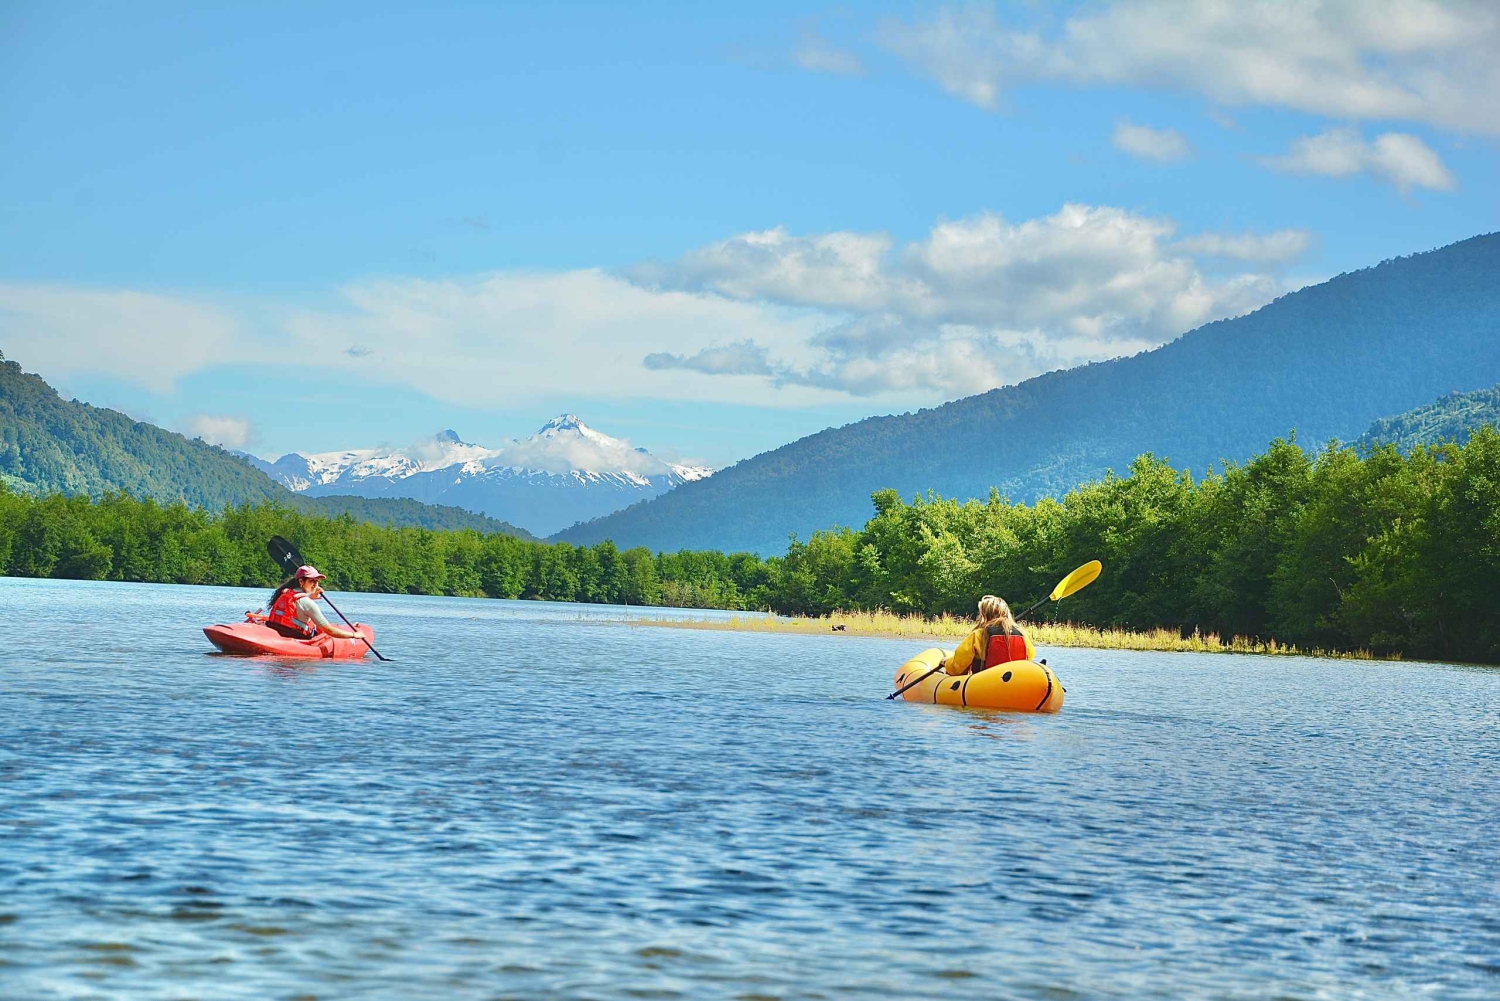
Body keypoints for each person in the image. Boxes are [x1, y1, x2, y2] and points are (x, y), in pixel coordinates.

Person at [943, 594, 1037, 675]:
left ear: (984, 615)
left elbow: (957, 667)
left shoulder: (978, 635)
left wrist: (945, 663)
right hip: (1016, 682)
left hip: (985, 684)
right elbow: (1030, 656)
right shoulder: (1022, 635)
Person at [265, 565, 361, 640]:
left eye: (316, 581)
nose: (315, 584)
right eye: (311, 581)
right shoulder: (307, 603)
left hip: (278, 632)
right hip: (297, 637)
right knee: (325, 628)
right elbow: (329, 631)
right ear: (301, 581)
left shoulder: (285, 592)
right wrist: (354, 635)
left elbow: (298, 602)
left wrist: (311, 595)